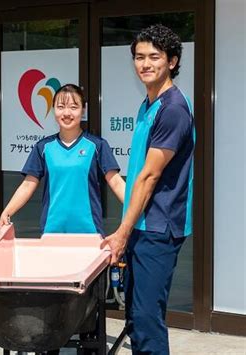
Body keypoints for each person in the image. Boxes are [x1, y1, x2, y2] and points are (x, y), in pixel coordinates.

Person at [101, 24, 195, 354]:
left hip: (158, 227)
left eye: (154, 57)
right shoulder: (149, 104)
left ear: (172, 60)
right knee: (137, 318)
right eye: (139, 57)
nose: (145, 64)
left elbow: (149, 177)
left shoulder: (172, 110)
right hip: (143, 225)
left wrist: (122, 233)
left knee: (146, 317)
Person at [0, 83, 125, 238]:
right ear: (53, 110)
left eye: (73, 107)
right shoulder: (44, 147)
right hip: (52, 232)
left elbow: (117, 183)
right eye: (61, 107)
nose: (67, 113)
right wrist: (7, 212)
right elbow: (27, 185)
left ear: (83, 110)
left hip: (89, 232)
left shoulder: (97, 145)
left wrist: (137, 211)